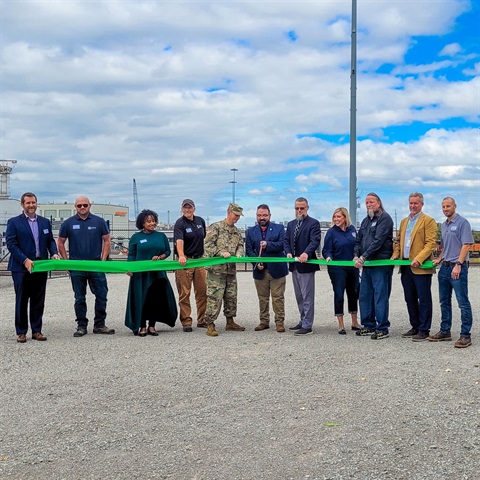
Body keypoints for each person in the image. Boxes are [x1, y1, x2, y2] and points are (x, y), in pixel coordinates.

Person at [58, 196, 115, 337]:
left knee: (102, 295)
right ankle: (81, 326)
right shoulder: (68, 223)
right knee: (79, 297)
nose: (82, 208)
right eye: (79, 206)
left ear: (90, 205)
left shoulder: (99, 222)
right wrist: (66, 263)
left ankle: (100, 325)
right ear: (75, 207)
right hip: (77, 266)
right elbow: (60, 242)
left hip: (96, 265)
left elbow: (107, 240)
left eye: (85, 205)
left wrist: (103, 261)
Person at [6, 192, 59, 343]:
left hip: (40, 266)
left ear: (37, 203)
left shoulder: (44, 222)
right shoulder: (14, 222)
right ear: (22, 205)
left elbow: (50, 241)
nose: (31, 205)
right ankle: (21, 332)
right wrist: (25, 260)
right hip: (21, 267)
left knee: (38, 299)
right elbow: (11, 244)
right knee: (22, 299)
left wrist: (54, 253)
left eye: (33, 202)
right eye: (28, 203)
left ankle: (37, 330)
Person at [429, 197, 474, 348]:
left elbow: (466, 245)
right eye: (443, 207)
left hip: (457, 268)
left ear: (455, 206)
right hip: (445, 268)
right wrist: (440, 258)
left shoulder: (463, 223)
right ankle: (445, 331)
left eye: (448, 206)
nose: (446, 209)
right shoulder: (443, 225)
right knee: (444, 301)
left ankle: (465, 335)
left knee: (462, 302)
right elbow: (445, 246)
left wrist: (458, 264)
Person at [392, 193, 437, 342]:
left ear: (422, 204)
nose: (412, 206)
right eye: (410, 203)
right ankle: (415, 326)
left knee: (423, 298)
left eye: (415, 203)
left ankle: (424, 329)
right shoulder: (404, 222)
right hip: (406, 267)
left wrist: (419, 258)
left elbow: (430, 243)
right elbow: (398, 241)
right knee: (409, 298)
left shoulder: (428, 221)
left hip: (420, 266)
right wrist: (395, 254)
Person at [124, 209, 177, 336]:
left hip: (157, 274)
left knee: (155, 298)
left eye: (153, 221)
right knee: (142, 298)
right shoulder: (136, 237)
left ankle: (152, 326)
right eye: (148, 221)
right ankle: (142, 325)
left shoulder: (161, 236)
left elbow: (167, 252)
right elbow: (131, 255)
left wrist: (160, 257)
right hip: (140, 274)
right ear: (142, 223)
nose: (152, 223)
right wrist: (129, 268)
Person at [354, 192, 394, 340]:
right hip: (367, 264)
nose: (369, 204)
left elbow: (378, 241)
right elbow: (358, 240)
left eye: (371, 202)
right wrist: (356, 255)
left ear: (378, 202)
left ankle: (382, 327)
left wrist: (363, 257)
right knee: (364, 295)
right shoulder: (365, 221)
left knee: (380, 296)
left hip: (380, 263)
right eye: (367, 202)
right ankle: (368, 325)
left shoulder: (385, 219)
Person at [203, 203, 245, 337]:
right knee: (214, 297)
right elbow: (208, 246)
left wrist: (239, 253)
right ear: (229, 212)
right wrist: (221, 252)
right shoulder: (216, 227)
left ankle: (230, 321)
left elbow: (240, 245)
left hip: (230, 271)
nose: (237, 218)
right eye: (235, 215)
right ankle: (210, 323)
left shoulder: (237, 231)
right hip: (216, 271)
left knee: (231, 297)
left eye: (239, 216)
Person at [245, 204, 289, 333]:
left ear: (270, 215)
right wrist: (256, 262)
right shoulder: (251, 231)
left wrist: (268, 245)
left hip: (277, 270)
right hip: (260, 271)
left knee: (278, 297)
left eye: (264, 215)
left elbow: (282, 244)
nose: (262, 217)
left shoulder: (279, 228)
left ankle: (279, 322)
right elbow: (248, 249)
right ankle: (264, 321)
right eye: (259, 215)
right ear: (256, 216)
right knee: (262, 298)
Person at [284, 197, 321, 335]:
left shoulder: (313, 223)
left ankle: (307, 325)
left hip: (306, 266)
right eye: (297, 208)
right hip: (294, 266)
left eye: (302, 208)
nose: (299, 210)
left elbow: (314, 241)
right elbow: (286, 240)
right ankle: (302, 320)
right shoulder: (291, 224)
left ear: (307, 208)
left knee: (307, 297)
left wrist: (306, 253)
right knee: (299, 296)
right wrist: (288, 252)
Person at [322, 207, 361, 334]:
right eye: (335, 217)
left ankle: (354, 322)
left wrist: (357, 257)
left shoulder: (352, 230)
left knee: (353, 293)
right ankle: (340, 324)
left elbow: (357, 245)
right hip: (337, 269)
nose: (336, 219)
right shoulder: (331, 232)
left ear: (345, 217)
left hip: (352, 268)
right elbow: (326, 249)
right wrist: (328, 257)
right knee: (339, 294)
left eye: (339, 217)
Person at [173, 199, 207, 332]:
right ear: (182, 209)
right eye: (185, 208)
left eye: (190, 207)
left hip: (199, 261)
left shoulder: (200, 221)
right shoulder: (180, 223)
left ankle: (202, 319)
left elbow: (204, 237)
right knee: (184, 293)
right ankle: (186, 321)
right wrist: (181, 255)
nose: (187, 210)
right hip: (186, 261)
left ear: (194, 208)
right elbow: (179, 241)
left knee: (202, 291)